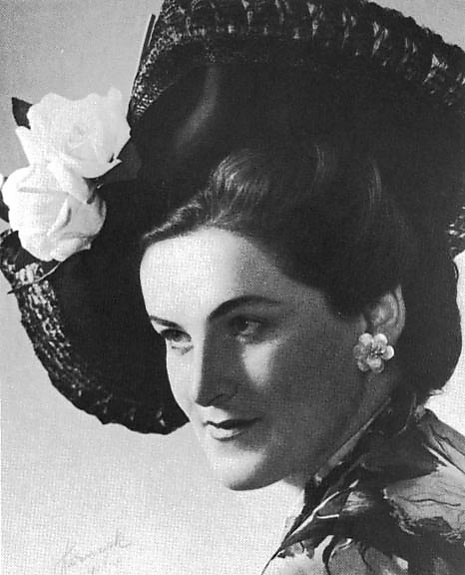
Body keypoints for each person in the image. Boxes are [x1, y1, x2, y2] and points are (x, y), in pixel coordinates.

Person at [1, 0, 464, 573]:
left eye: (246, 324)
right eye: (174, 336)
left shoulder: (326, 562)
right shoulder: (444, 471)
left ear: (377, 314)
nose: (202, 386)